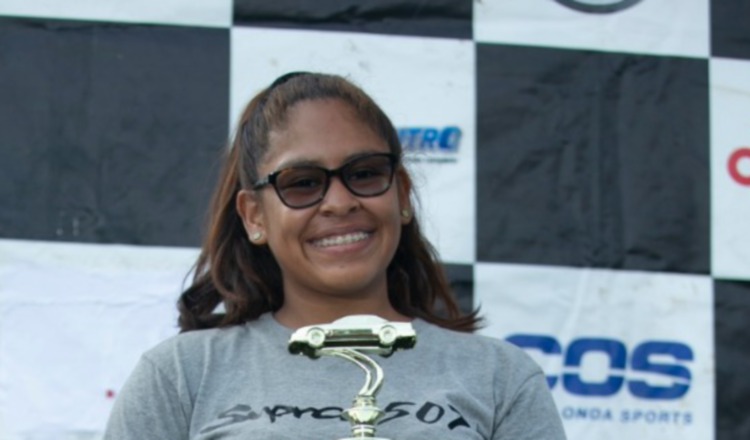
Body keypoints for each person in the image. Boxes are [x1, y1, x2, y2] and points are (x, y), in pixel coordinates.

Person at [103, 72, 567, 439]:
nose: (340, 202)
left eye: (364, 174)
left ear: (401, 193)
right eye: (302, 182)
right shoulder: (181, 375)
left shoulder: (499, 376)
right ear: (254, 216)